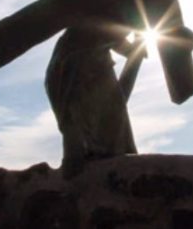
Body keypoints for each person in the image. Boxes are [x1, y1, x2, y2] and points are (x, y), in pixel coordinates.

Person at [45, 18, 140, 178]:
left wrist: (136, 53)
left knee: (102, 131)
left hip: (71, 69)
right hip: (76, 68)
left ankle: (76, 166)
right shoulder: (93, 33)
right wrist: (136, 50)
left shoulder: (86, 43)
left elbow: (117, 104)